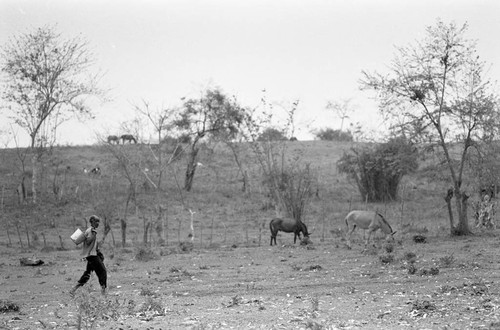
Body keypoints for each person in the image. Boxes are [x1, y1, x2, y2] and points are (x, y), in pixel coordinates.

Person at [69, 215, 107, 296]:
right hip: (92, 256)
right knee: (103, 272)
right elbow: (89, 241)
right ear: (92, 221)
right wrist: (93, 235)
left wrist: (98, 252)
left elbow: (92, 244)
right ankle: (103, 293)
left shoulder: (90, 230)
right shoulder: (91, 231)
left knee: (87, 273)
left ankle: (73, 289)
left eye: (98, 222)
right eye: (96, 222)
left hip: (91, 255)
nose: (98, 223)